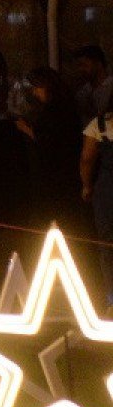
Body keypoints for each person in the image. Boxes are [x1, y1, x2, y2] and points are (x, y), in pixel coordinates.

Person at [19, 67, 85, 232]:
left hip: (56, 176)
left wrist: (25, 128)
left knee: (56, 218)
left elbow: (48, 142)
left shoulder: (56, 110)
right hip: (62, 174)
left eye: (37, 87)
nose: (34, 93)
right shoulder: (66, 106)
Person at [82, 107, 113, 309]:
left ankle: (112, 297)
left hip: (107, 188)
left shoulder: (100, 123)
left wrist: (86, 186)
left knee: (107, 242)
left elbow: (87, 159)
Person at [74, 44, 112, 123]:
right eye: (78, 66)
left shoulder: (110, 87)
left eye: (84, 65)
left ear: (98, 64)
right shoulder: (83, 91)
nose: (81, 70)